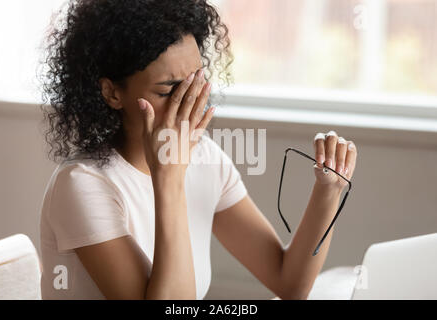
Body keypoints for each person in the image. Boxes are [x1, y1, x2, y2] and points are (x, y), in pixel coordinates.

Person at [39, 0, 358, 300]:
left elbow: (289, 282)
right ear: (111, 93)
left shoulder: (205, 158)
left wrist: (329, 191)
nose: (193, 100)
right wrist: (170, 176)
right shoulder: (82, 184)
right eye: (170, 90)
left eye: (197, 81)